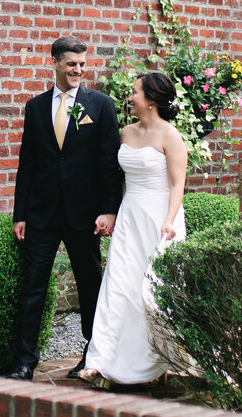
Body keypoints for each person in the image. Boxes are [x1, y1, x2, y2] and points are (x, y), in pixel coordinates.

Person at [9, 34, 122, 381]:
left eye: (82, 65)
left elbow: (109, 162)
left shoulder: (100, 105)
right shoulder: (36, 107)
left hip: (84, 215)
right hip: (42, 213)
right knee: (33, 286)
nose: (78, 70)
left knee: (91, 284)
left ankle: (92, 355)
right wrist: (21, 213)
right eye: (71, 64)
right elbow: (27, 162)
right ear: (55, 62)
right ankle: (25, 361)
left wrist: (109, 210)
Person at [78, 70, 187, 388]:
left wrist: (169, 219)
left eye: (135, 92)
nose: (130, 97)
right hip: (130, 218)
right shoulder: (125, 133)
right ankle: (101, 362)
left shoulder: (171, 136)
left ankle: (163, 361)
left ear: (151, 100)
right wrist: (112, 214)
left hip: (160, 220)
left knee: (152, 292)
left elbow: (178, 183)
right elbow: (119, 181)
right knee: (117, 288)